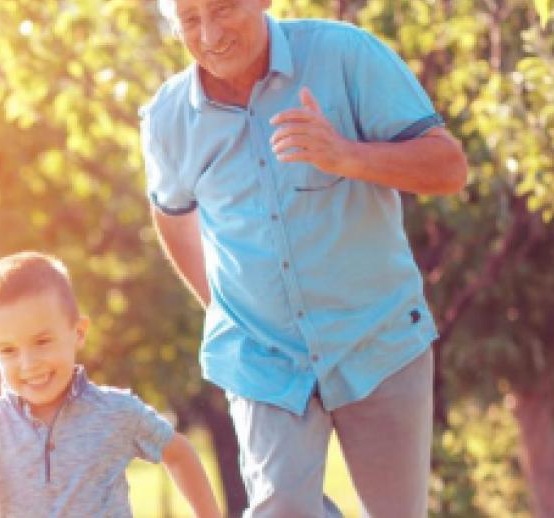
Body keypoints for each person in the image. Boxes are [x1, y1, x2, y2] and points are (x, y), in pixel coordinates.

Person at [140, 0, 469, 516]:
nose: (208, 34)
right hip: (261, 355)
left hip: (376, 339)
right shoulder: (167, 118)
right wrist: (222, 304)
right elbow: (171, 213)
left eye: (223, 9)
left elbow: (449, 167)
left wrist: (346, 155)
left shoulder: (345, 55)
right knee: (282, 508)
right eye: (188, 20)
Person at [0, 251, 222, 518]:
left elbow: (179, 453)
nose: (28, 363)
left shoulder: (116, 411)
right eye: (8, 350)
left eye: (42, 342)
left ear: (78, 333)